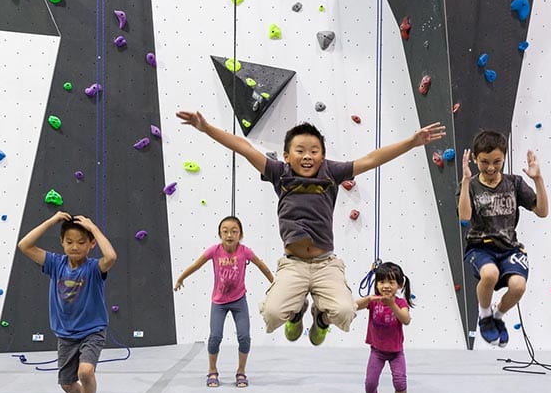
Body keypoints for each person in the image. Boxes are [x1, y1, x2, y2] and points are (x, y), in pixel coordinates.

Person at [177, 110, 445, 345]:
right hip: (293, 263)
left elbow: (371, 159)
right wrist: (207, 128)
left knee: (345, 312)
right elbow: (244, 148)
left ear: (323, 155)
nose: (307, 156)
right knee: (271, 315)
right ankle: (296, 312)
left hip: (325, 263)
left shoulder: (331, 172)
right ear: (287, 155)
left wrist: (412, 142)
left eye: (314, 151)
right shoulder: (279, 173)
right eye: (300, 151)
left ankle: (321, 319)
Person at [17, 212, 117, 393]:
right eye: (69, 242)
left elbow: (110, 257)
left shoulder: (92, 268)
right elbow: (25, 245)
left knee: (85, 372)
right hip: (65, 334)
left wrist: (94, 227)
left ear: (91, 244)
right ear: (62, 243)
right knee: (66, 384)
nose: (74, 247)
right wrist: (52, 221)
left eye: (81, 242)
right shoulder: (55, 263)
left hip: (92, 330)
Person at [458, 131, 548, 347]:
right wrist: (465, 182)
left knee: (518, 286)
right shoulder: (470, 186)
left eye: (497, 162)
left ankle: (498, 316)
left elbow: (542, 211)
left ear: (505, 158)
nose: (490, 168)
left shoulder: (513, 183)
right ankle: (485, 315)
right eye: (484, 162)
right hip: (480, 248)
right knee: (489, 273)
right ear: (474, 159)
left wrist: (538, 179)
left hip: (509, 248)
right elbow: (464, 217)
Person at [174, 216, 274, 387]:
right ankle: (212, 371)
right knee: (215, 337)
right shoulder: (214, 251)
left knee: (244, 337)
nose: (229, 235)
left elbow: (261, 265)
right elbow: (196, 265)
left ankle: (241, 372)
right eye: (225, 231)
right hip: (219, 302)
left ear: (240, 234)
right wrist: (181, 278)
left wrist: (274, 284)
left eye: (234, 231)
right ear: (220, 234)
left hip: (239, 301)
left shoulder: (245, 251)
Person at [355, 261, 412, 393]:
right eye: (381, 282)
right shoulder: (374, 301)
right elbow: (353, 306)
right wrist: (368, 298)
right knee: (370, 382)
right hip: (377, 351)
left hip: (396, 352)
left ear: (399, 285)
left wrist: (392, 304)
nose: (386, 286)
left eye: (391, 282)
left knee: (400, 381)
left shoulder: (400, 303)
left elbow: (406, 319)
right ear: (377, 284)